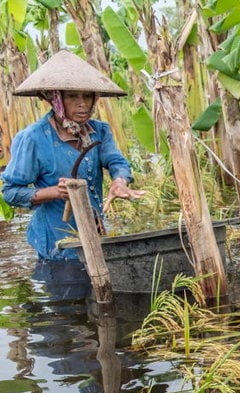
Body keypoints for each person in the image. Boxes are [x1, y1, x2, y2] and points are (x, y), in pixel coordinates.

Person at [1, 49, 144, 261]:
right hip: (56, 243)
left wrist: (119, 181)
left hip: (94, 233)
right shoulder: (33, 138)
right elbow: (11, 192)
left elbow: (116, 161)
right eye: (72, 96)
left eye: (87, 96)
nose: (82, 103)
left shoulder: (99, 131)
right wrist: (55, 191)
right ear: (56, 99)